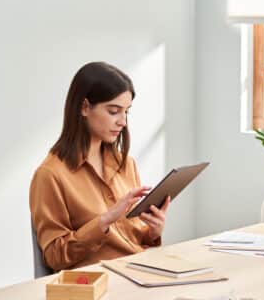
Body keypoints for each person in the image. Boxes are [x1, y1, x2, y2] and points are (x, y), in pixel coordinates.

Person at [29, 61, 170, 271]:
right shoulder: (50, 175)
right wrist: (104, 221)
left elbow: (135, 240)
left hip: (139, 273)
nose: (122, 121)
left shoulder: (125, 164)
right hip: (96, 284)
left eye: (126, 112)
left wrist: (153, 232)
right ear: (84, 107)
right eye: (114, 111)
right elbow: (54, 257)